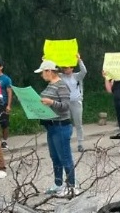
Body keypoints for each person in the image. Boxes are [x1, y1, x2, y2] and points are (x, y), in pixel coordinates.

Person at [35, 60, 76, 196]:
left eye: (42, 72)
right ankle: (58, 184)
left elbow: (66, 106)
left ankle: (71, 186)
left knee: (65, 157)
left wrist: (51, 102)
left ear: (49, 71)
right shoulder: (50, 85)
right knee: (55, 157)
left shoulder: (61, 85)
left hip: (61, 125)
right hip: (51, 125)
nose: (41, 75)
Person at [59, 54, 87, 152]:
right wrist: (46, 61)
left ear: (71, 68)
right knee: (65, 123)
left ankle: (80, 143)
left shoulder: (77, 76)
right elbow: (51, 73)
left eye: (67, 68)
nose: (65, 70)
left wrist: (79, 60)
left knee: (78, 123)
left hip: (76, 102)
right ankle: (65, 143)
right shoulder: (61, 76)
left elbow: (84, 71)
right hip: (65, 103)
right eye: (64, 68)